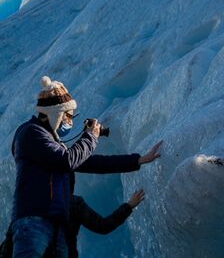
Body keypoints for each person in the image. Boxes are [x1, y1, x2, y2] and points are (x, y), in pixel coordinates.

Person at [10, 76, 162, 258]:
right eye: (67, 115)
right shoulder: (31, 133)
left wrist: (136, 160)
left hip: (56, 221)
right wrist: (90, 136)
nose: (69, 121)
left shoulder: (51, 144)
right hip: (34, 219)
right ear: (53, 112)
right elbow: (68, 161)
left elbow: (93, 162)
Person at [0, 189, 145, 258]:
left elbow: (8, 246)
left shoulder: (27, 204)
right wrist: (129, 206)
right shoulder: (73, 203)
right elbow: (103, 225)